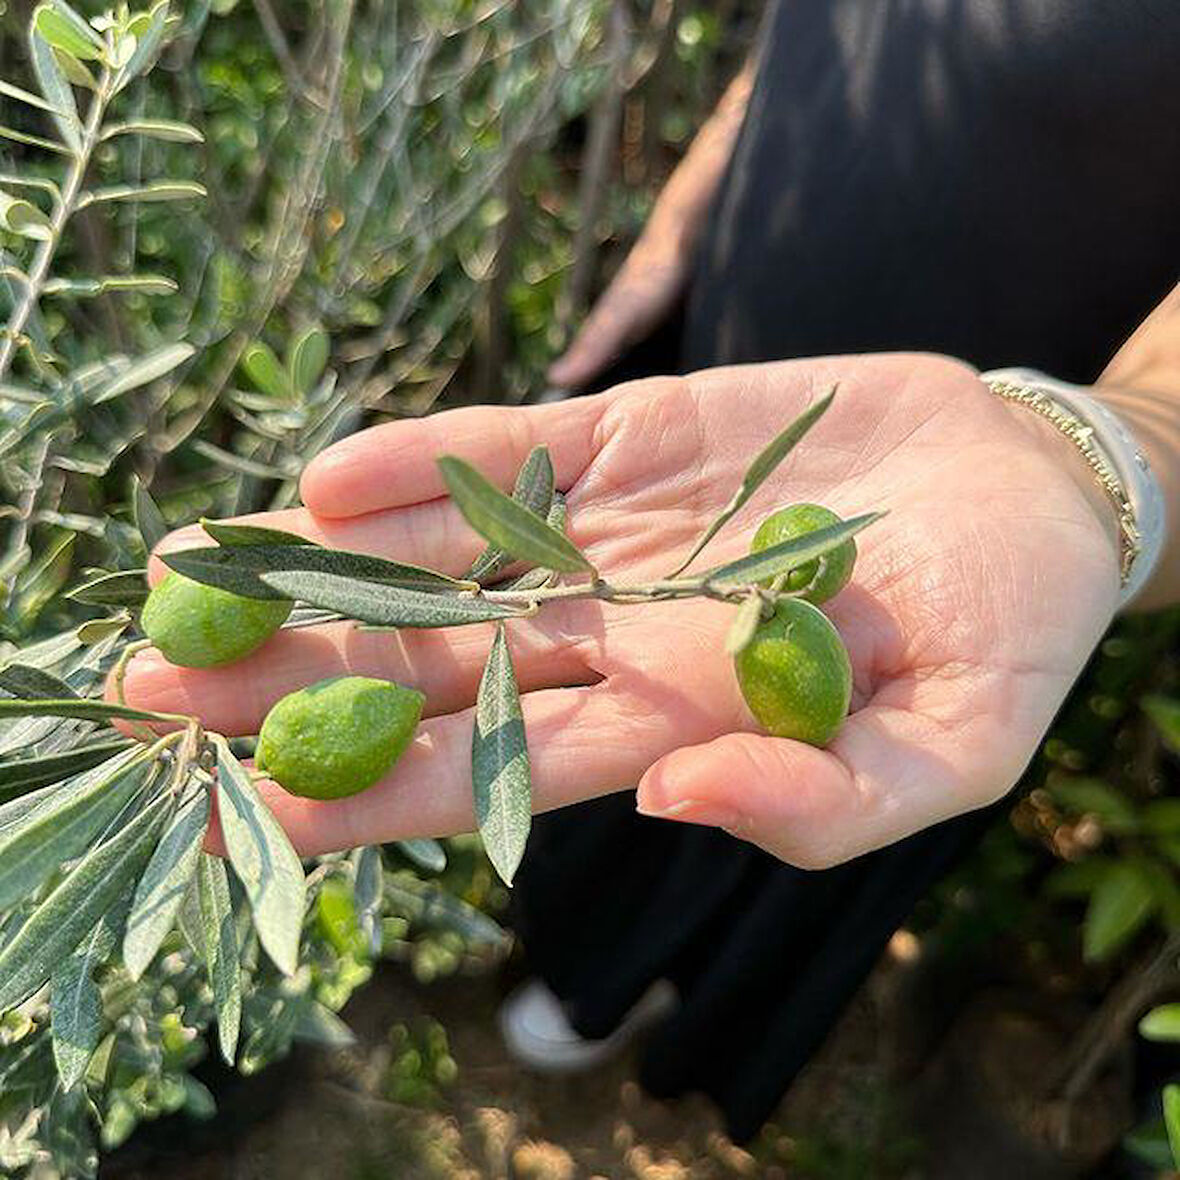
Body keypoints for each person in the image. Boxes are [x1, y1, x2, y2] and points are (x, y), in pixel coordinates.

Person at [119, 0, 1180, 1143]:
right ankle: (560, 947)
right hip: (723, 399)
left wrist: (1090, 457)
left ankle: (621, 994)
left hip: (933, 468)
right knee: (601, 717)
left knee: (738, 771)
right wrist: (709, 182)